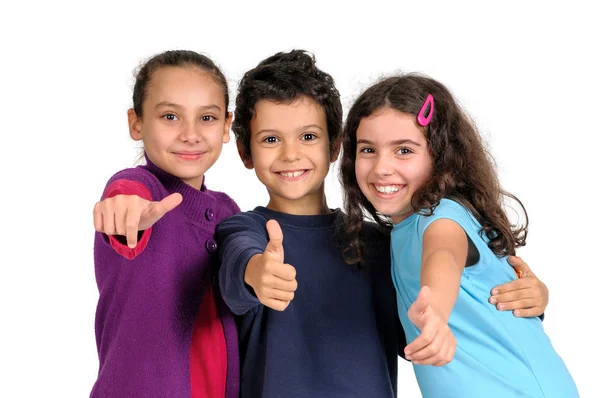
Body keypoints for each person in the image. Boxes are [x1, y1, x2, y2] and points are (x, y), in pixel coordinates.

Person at [216, 50, 550, 397]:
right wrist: (257, 273)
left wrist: (529, 298)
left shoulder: (378, 243)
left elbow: (428, 311)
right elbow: (239, 268)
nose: (290, 153)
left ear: (335, 147)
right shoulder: (244, 231)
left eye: (309, 136)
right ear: (245, 151)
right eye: (271, 139)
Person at [340, 73, 578, 397]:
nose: (382, 167)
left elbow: (443, 257)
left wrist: (435, 310)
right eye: (369, 149)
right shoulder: (404, 229)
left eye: (404, 151)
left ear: (440, 155)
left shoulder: (441, 217)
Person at [90, 50, 239, 398]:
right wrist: (124, 210)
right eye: (170, 116)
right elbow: (127, 197)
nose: (191, 134)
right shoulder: (140, 192)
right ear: (136, 123)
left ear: (227, 126)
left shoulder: (229, 211)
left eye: (207, 117)